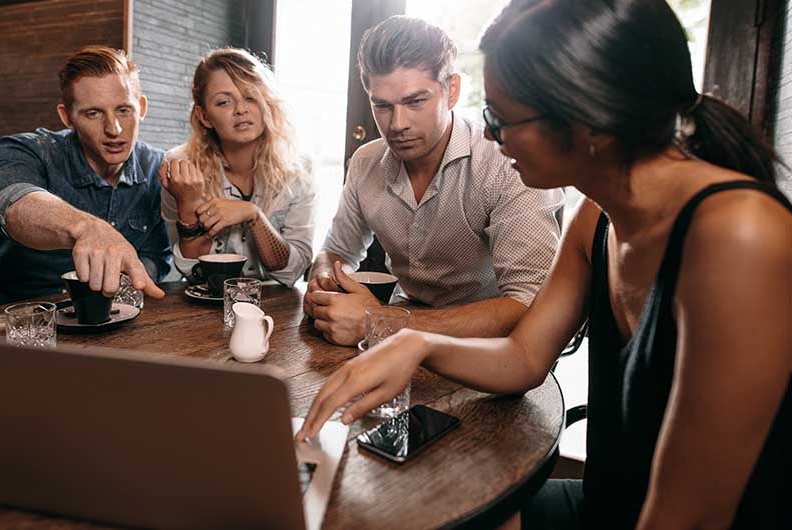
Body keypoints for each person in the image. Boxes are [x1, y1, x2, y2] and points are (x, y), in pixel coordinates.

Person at [298, 1, 791, 529]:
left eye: (501, 119)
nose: (487, 136)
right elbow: (525, 357)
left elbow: (688, 518)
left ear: (585, 122)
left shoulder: (741, 235)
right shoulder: (597, 219)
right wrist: (415, 341)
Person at [303, 16, 563, 346]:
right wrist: (324, 281)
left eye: (415, 102)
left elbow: (529, 304)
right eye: (382, 106)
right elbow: (338, 250)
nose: (397, 124)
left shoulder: (506, 161)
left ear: (451, 90)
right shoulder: (365, 162)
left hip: (493, 349)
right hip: (405, 331)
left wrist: (382, 322)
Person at [0, 45, 170, 310]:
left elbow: (157, 255)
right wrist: (88, 228)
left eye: (124, 110)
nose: (113, 129)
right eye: (93, 113)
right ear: (67, 116)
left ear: (141, 108)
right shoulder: (25, 149)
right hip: (4, 316)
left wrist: (123, 282)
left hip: (102, 318)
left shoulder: (156, 166)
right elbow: (14, 205)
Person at [160, 48, 314, 287]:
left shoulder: (298, 168)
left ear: (266, 102)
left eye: (251, 96)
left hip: (276, 303)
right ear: (204, 116)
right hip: (209, 302)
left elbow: (290, 272)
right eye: (223, 102)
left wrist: (253, 215)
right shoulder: (181, 167)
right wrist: (188, 203)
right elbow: (193, 272)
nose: (241, 109)